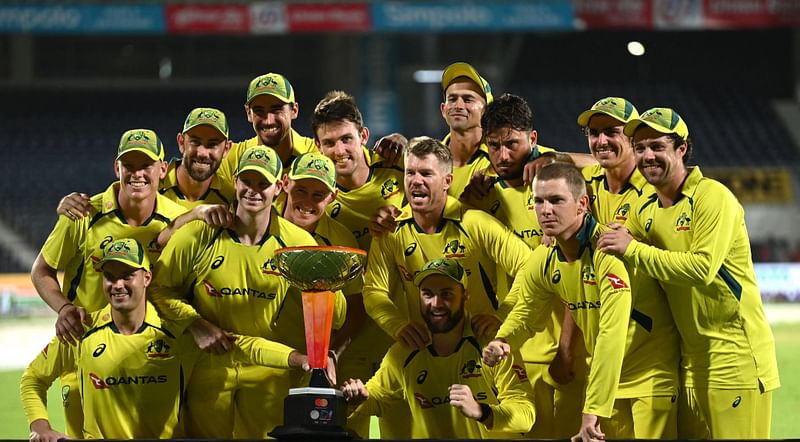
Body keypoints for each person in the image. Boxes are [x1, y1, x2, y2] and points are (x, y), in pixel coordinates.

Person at [597, 107, 780, 438]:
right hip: (688, 363)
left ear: (681, 148)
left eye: (657, 146)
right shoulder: (646, 209)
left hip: (734, 358)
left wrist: (632, 248)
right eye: (640, 148)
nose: (647, 156)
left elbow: (702, 268)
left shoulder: (713, 197)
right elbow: (614, 241)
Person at [21, 238, 313, 441]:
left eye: (127, 275)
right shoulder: (81, 331)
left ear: (146, 277)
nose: (117, 284)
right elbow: (33, 378)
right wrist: (40, 425)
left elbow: (243, 347)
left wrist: (297, 358)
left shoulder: (177, 332)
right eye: (110, 276)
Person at [149, 146, 347, 438]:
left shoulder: (297, 244)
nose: (253, 191)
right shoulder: (198, 234)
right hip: (205, 368)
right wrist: (195, 324)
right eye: (247, 181)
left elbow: (336, 316)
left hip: (267, 368)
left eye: (263, 183)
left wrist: (328, 278)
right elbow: (158, 289)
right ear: (236, 181)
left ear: (279, 187)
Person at [30, 128, 186, 437]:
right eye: (130, 166)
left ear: (163, 170)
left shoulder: (179, 221)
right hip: (84, 357)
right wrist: (63, 309)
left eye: (147, 166)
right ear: (117, 168)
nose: (137, 174)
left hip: (152, 362)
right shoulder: (84, 214)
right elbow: (42, 270)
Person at [482, 162, 633, 442]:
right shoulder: (545, 256)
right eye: (538, 201)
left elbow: (612, 336)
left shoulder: (607, 251)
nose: (545, 210)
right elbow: (526, 312)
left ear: (581, 204)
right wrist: (503, 340)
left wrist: (592, 410)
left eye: (556, 200)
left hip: (644, 379)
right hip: (606, 380)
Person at [462, 93, 582, 438]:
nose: (503, 155)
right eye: (494, 145)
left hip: (565, 350)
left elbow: (576, 275)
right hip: (513, 351)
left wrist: (567, 351)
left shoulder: (559, 185)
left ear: (533, 138)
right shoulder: (485, 196)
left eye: (512, 144)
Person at [363, 136, 532, 350]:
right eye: (410, 173)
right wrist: (398, 326)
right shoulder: (391, 230)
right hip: (425, 355)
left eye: (426, 173)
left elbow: (529, 266)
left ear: (447, 181)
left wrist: (502, 316)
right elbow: (373, 290)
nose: (416, 181)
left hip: (482, 355)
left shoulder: (475, 222)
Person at [575, 97, 681, 438]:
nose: (601, 141)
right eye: (593, 133)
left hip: (652, 354)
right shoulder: (586, 185)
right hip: (605, 361)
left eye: (611, 132)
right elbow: (564, 162)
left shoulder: (654, 188)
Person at [342, 258, 536, 439]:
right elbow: (376, 399)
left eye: (446, 294)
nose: (436, 304)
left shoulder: (492, 347)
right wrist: (357, 399)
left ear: (465, 296)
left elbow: (526, 415)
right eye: (428, 294)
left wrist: (481, 411)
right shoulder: (404, 352)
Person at [310, 91, 407, 438]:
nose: (339, 151)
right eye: (329, 143)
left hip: (405, 334)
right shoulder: (315, 198)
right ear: (317, 148)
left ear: (364, 137)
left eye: (347, 139)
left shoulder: (399, 174)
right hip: (349, 341)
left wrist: (404, 146)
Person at [56, 107, 233, 220]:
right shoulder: (149, 181)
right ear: (181, 142)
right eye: (195, 141)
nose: (202, 153)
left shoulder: (233, 199)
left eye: (212, 145)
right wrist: (70, 204)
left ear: (226, 149)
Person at [217, 72, 317, 185]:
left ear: (294, 110)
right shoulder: (231, 159)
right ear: (248, 113)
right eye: (259, 111)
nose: (268, 121)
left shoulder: (318, 154)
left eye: (276, 110)